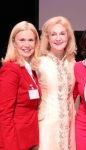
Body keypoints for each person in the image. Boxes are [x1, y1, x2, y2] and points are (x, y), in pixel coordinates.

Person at [33, 16, 77, 150]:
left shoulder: (73, 64)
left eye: (62, 33)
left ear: (68, 37)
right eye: (53, 34)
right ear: (48, 38)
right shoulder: (38, 63)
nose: (58, 38)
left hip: (69, 125)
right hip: (46, 125)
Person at [0, 21, 41, 150]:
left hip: (28, 140)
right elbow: (4, 114)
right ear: (14, 43)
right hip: (14, 142)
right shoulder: (10, 69)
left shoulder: (31, 69)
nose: (27, 45)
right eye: (22, 40)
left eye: (31, 40)